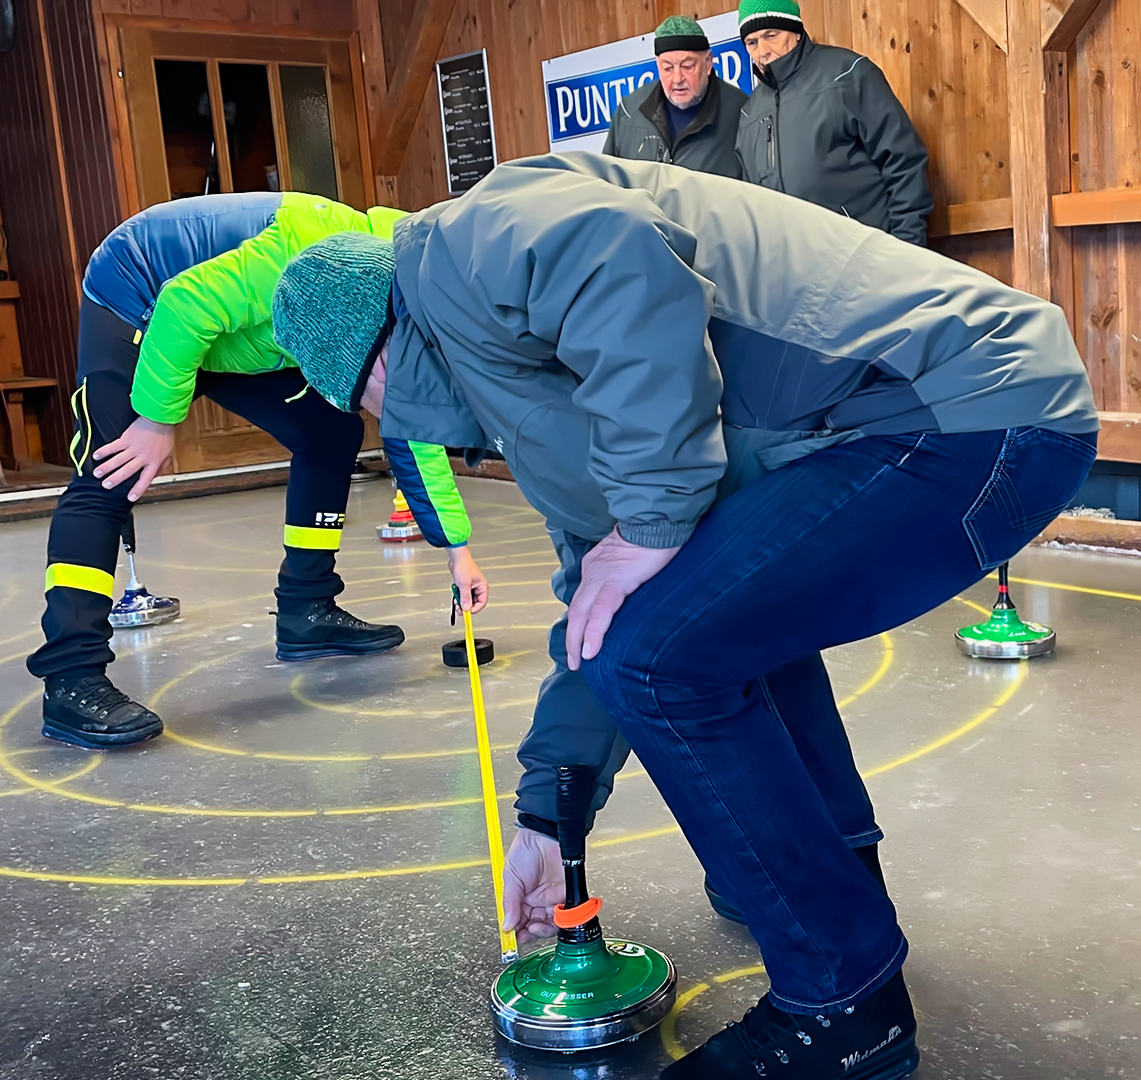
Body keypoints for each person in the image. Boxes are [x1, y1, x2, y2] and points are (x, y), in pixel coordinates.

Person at [272, 153, 1096, 1080]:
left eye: (364, 405)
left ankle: (844, 1005)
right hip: (939, 416)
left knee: (661, 661)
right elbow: (599, 602)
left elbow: (619, 258)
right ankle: (839, 886)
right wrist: (550, 811)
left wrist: (654, 514)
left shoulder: (465, 247)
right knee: (707, 626)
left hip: (964, 410)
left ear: (370, 364)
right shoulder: (513, 384)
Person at [28, 192, 488, 750]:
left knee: (330, 432)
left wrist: (456, 548)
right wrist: (155, 418)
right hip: (145, 292)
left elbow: (405, 415)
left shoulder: (403, 315)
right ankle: (71, 678)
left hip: (240, 332)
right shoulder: (304, 255)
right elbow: (185, 306)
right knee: (111, 471)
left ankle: (306, 610)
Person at [734, 0, 934, 245]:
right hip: (791, 263)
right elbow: (752, 202)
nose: (762, 50)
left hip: (863, 253)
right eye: (752, 42)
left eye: (771, 35)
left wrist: (907, 248)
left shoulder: (848, 74)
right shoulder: (750, 113)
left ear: (796, 32)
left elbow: (903, 160)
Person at [602, 15, 746, 177]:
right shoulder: (629, 112)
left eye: (687, 66)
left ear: (708, 63)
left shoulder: (741, 112)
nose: (677, 79)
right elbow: (608, 181)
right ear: (658, 66)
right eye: (668, 68)